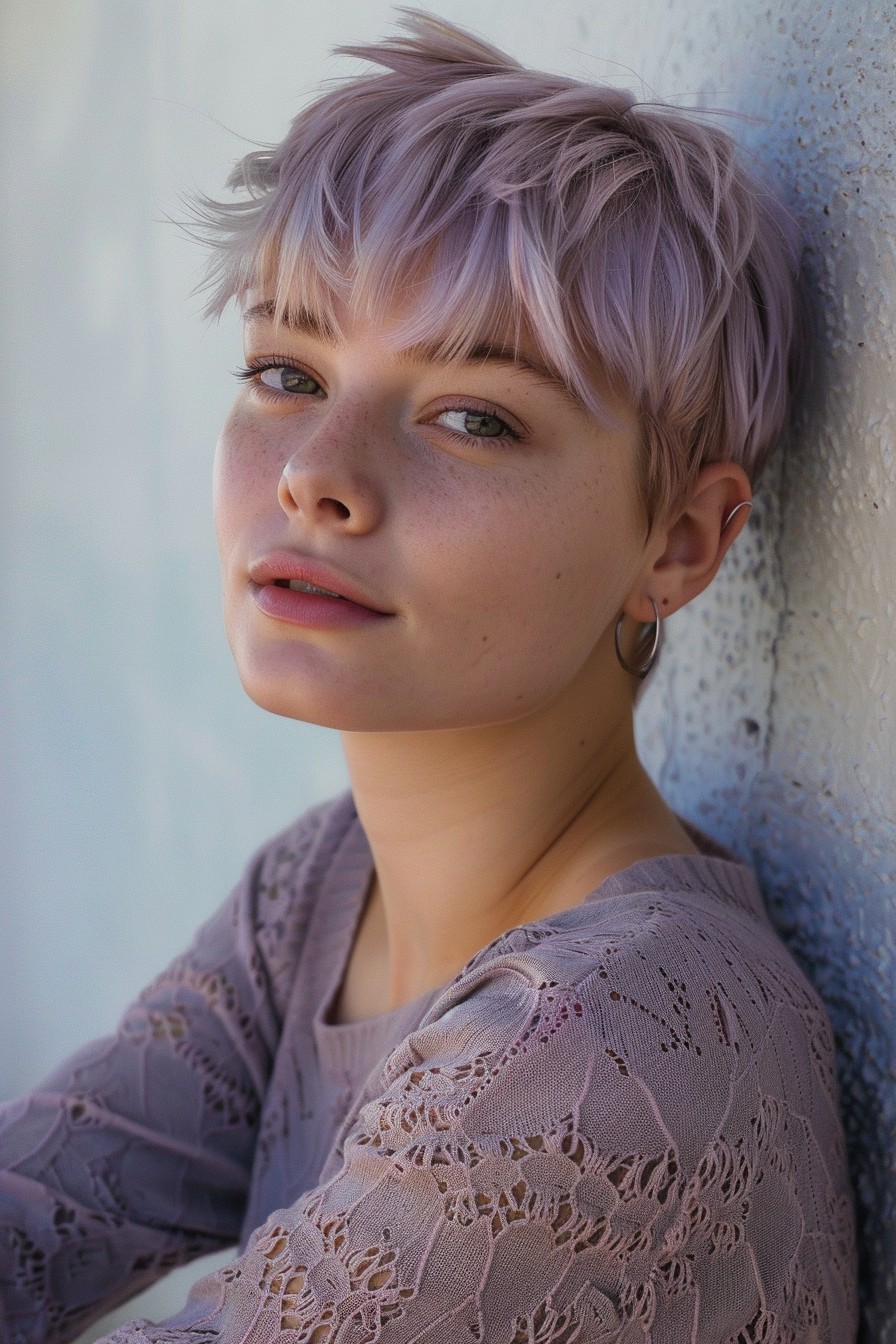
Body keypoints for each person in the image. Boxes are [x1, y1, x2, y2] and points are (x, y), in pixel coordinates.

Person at [0, 12, 858, 1343]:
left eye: (474, 414)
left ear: (678, 540)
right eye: (288, 372)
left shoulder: (604, 1045)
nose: (315, 474)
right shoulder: (323, 891)